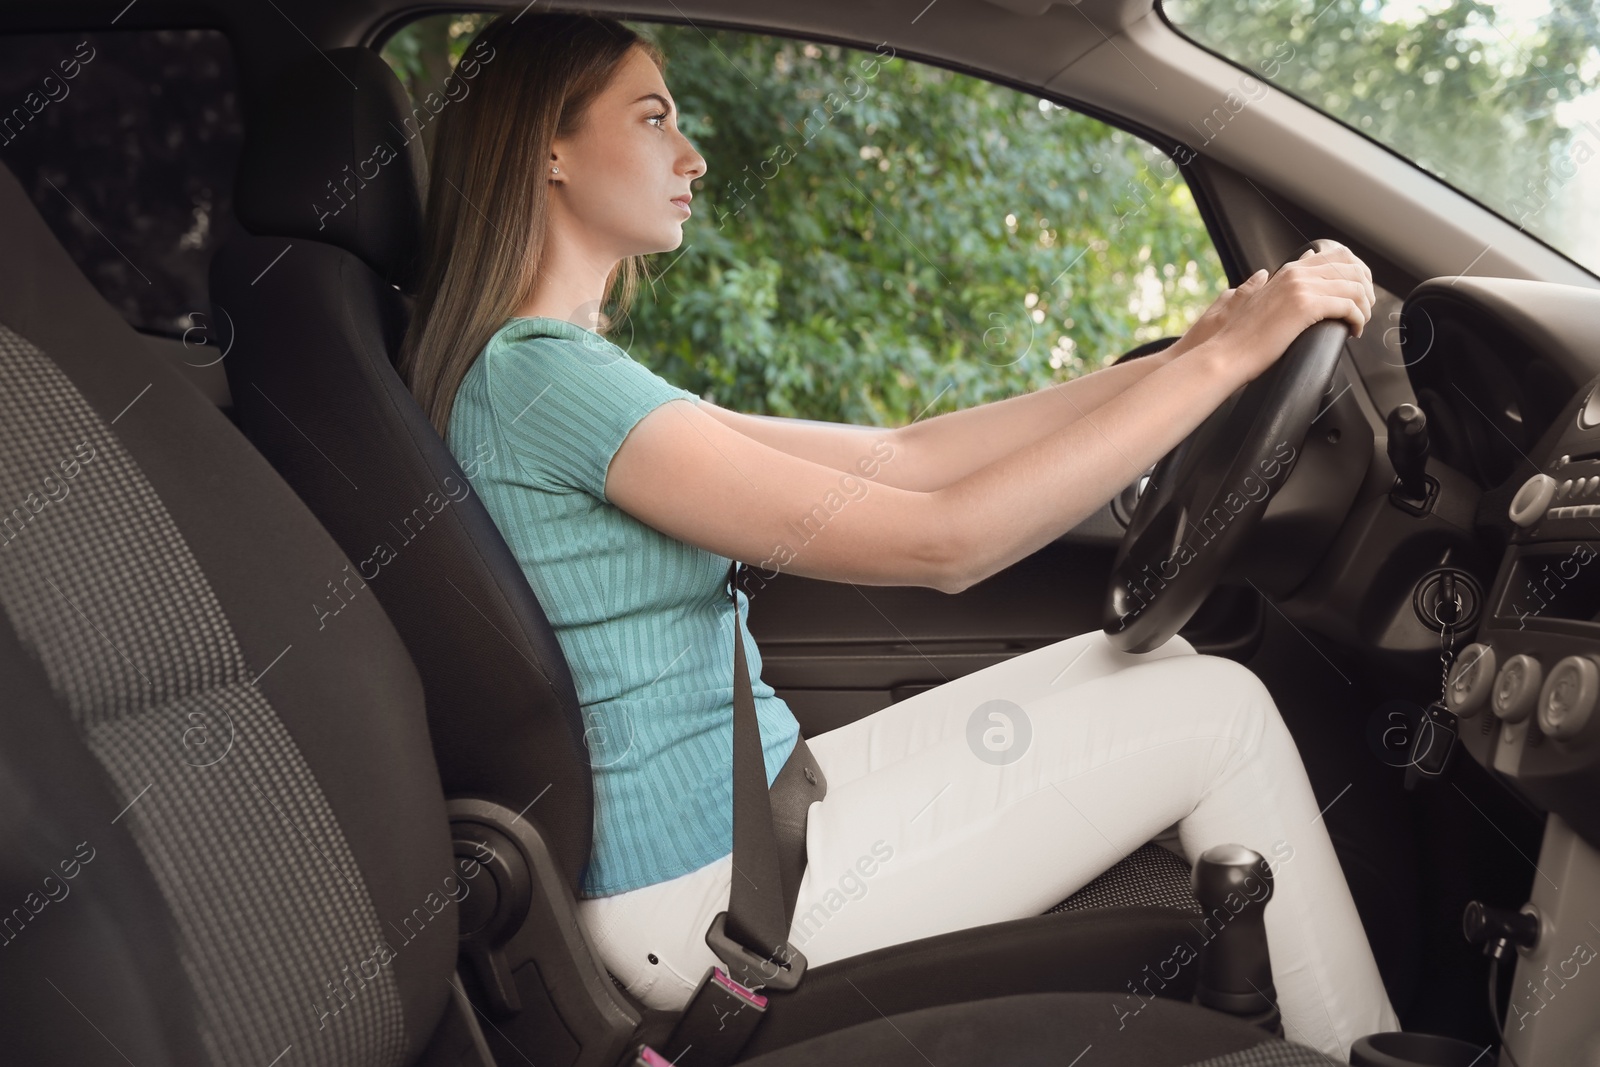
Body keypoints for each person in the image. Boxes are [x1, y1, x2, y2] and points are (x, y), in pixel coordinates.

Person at [396, 10, 1399, 1060]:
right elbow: (944, 542)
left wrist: (1181, 355)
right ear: (546, 149)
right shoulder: (544, 378)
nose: (692, 156)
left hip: (752, 815)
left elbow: (902, 453)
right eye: (653, 118)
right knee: (1220, 709)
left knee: (1156, 660)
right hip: (705, 898)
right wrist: (1222, 367)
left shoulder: (552, 370)